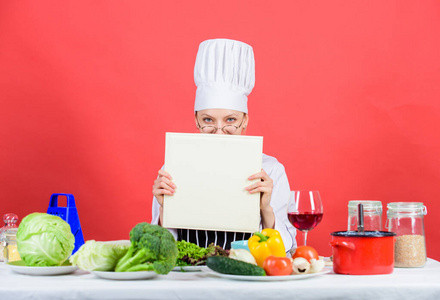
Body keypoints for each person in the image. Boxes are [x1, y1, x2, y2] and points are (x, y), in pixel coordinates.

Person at [151, 38, 296, 254]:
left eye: (230, 120)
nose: (219, 131)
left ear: (245, 120)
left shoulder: (270, 169)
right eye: (208, 120)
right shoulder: (174, 166)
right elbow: (159, 249)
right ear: (196, 120)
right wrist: (165, 207)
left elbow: (287, 246)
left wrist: (265, 208)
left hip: (246, 273)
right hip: (189, 276)